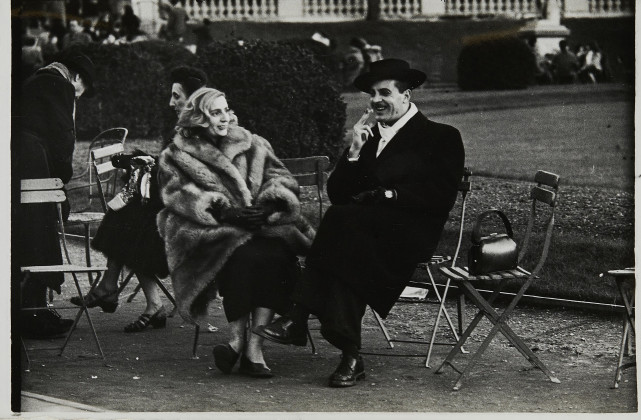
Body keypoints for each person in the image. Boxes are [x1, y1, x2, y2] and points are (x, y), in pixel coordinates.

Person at [255, 59, 465, 387]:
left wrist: (390, 195)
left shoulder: (440, 136)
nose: (376, 100)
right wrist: (353, 153)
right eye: (372, 94)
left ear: (406, 95)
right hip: (360, 234)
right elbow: (338, 193)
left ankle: (299, 317)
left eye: (385, 92)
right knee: (345, 241)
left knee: (342, 226)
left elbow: (440, 195)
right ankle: (350, 355)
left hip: (408, 233)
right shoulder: (366, 137)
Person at [156, 87, 315, 378]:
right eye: (215, 112)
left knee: (276, 252)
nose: (225, 117)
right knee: (239, 252)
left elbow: (281, 177)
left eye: (226, 110)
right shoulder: (175, 154)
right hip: (208, 228)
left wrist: (267, 207)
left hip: (257, 224)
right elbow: (175, 192)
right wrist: (222, 211)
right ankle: (237, 341)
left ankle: (252, 346)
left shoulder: (252, 143)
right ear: (199, 117)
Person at [70, 66, 209, 333]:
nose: (171, 102)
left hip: (190, 217)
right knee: (128, 215)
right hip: (173, 208)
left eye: (176, 96)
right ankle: (138, 299)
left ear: (193, 99)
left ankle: (115, 290)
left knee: (131, 224)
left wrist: (148, 165)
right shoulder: (186, 128)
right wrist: (145, 162)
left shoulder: (200, 132)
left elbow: (187, 177)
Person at [15, 52, 96, 338]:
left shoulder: (35, 80)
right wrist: (61, 178)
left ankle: (34, 308)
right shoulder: (61, 85)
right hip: (34, 163)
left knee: (30, 237)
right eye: (81, 91)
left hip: (18, 165)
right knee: (43, 234)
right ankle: (33, 313)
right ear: (77, 78)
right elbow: (64, 135)